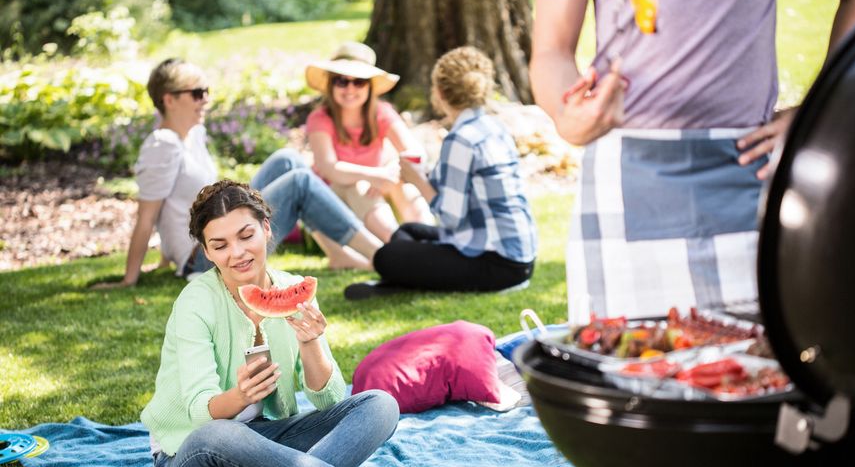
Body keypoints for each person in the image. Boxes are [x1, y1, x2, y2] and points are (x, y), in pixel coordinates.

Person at [529, 0, 855, 467]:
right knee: (652, 407)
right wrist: (568, 117)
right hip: (626, 175)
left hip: (749, 166)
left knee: (813, 402)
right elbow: (550, 51)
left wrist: (823, 105)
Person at [140, 179, 427, 467]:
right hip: (190, 462)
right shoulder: (195, 303)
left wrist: (311, 343)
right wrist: (241, 397)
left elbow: (330, 399)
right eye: (220, 245)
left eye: (246, 236)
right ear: (207, 252)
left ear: (265, 228)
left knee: (380, 405)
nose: (238, 253)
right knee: (220, 433)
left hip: (260, 446)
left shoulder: (294, 287)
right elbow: (200, 410)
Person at [93, 57, 382, 290]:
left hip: (219, 230)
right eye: (197, 93)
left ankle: (338, 254)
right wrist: (130, 279)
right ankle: (382, 257)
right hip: (206, 257)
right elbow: (148, 216)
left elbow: (179, 205)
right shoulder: (162, 146)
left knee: (287, 160)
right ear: (169, 99)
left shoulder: (192, 134)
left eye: (206, 91)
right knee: (300, 183)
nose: (205, 99)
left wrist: (165, 260)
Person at [343, 46, 537, 301]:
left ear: (440, 92)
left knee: (386, 257)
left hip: (497, 264)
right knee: (410, 231)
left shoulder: (460, 139)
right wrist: (421, 173)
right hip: (518, 256)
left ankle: (402, 282)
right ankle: (411, 278)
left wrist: (417, 180)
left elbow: (451, 217)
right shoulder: (491, 126)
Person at [305, 42, 432, 243]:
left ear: (369, 86)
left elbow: (415, 152)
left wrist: (392, 170)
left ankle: (430, 237)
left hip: (372, 195)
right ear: (331, 84)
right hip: (331, 203)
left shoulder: (380, 112)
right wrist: (374, 175)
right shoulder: (321, 118)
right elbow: (329, 168)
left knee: (403, 181)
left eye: (359, 81)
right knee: (358, 186)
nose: (350, 88)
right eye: (341, 81)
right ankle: (399, 244)